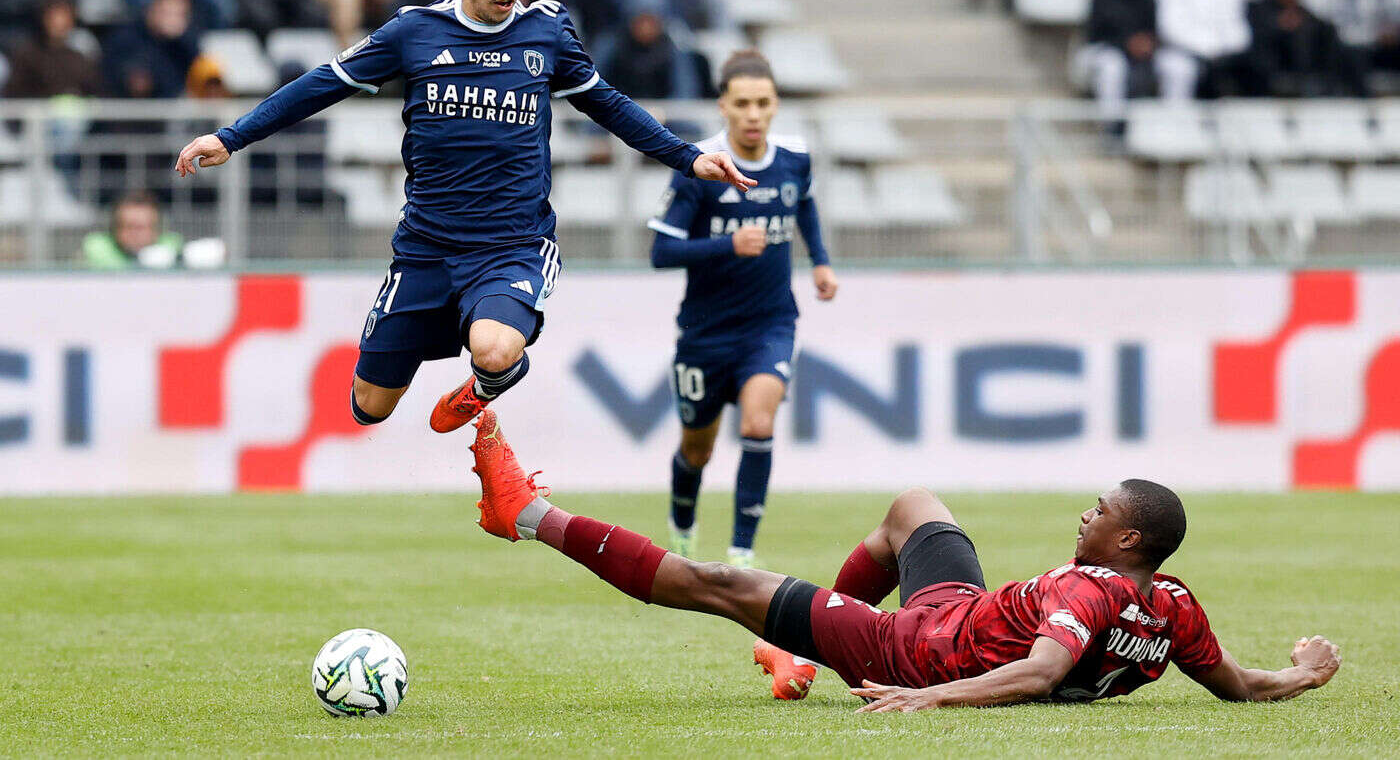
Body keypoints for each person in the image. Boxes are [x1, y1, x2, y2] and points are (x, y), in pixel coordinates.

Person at [173, 0, 754, 435]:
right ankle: (462, 347)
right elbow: (323, 85)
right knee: (368, 406)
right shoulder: (414, 31)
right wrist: (231, 137)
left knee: (495, 348)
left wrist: (688, 156)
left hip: (510, 245)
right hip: (426, 246)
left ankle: (489, 378)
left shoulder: (546, 32)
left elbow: (610, 104)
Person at [465, 409, 1343, 708]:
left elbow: (1038, 673)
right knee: (913, 507)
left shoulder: (1086, 586)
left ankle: (528, 513)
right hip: (964, 611)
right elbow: (1238, 683)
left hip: (912, 647)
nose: (1086, 512)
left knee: (721, 583)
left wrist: (923, 694)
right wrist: (1302, 671)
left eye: (1100, 510)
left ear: (1126, 541)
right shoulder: (1175, 604)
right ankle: (797, 648)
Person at [648, 50, 836, 567]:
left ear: (775, 106)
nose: (754, 114)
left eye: (763, 103)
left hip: (770, 323)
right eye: (743, 104)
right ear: (723, 107)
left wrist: (820, 261)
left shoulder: (795, 157)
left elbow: (806, 203)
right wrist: (727, 245)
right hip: (705, 333)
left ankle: (741, 555)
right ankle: (682, 524)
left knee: (758, 423)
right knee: (697, 451)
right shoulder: (700, 167)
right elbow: (661, 253)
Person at [1079, 0, 1195, 123]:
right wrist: (1126, 43)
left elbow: (1156, 31)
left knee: (1178, 67)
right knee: (1112, 66)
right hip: (1107, 52)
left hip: (1145, 54)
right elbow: (1095, 35)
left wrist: (1149, 43)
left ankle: (1175, 124)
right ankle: (1112, 125)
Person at [1246, 0, 1354, 96]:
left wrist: (1301, 24)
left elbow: (1323, 27)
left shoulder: (1300, 11)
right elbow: (1257, 33)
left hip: (1302, 65)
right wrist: (1279, 25)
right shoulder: (1260, 9)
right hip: (1272, 62)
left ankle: (1324, 86)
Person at [3, 0, 101, 98]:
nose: (58, 23)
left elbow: (95, 94)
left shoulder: (80, 60)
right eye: (53, 17)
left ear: (72, 20)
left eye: (64, 17)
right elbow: (14, 95)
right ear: (43, 19)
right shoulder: (26, 56)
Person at [80, 190, 183, 269]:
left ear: (157, 230)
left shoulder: (172, 247)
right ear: (114, 228)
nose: (134, 234)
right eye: (128, 226)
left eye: (141, 228)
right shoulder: (97, 248)